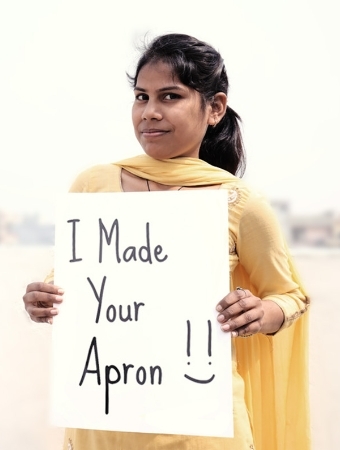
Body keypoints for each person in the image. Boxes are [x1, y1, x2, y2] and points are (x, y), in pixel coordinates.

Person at [23, 33, 310, 450]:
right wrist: (43, 299)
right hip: (101, 421)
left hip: (201, 428)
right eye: (141, 97)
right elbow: (74, 281)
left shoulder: (237, 201)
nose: (150, 113)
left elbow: (290, 297)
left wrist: (259, 312)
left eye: (170, 97)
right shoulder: (92, 184)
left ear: (214, 108)